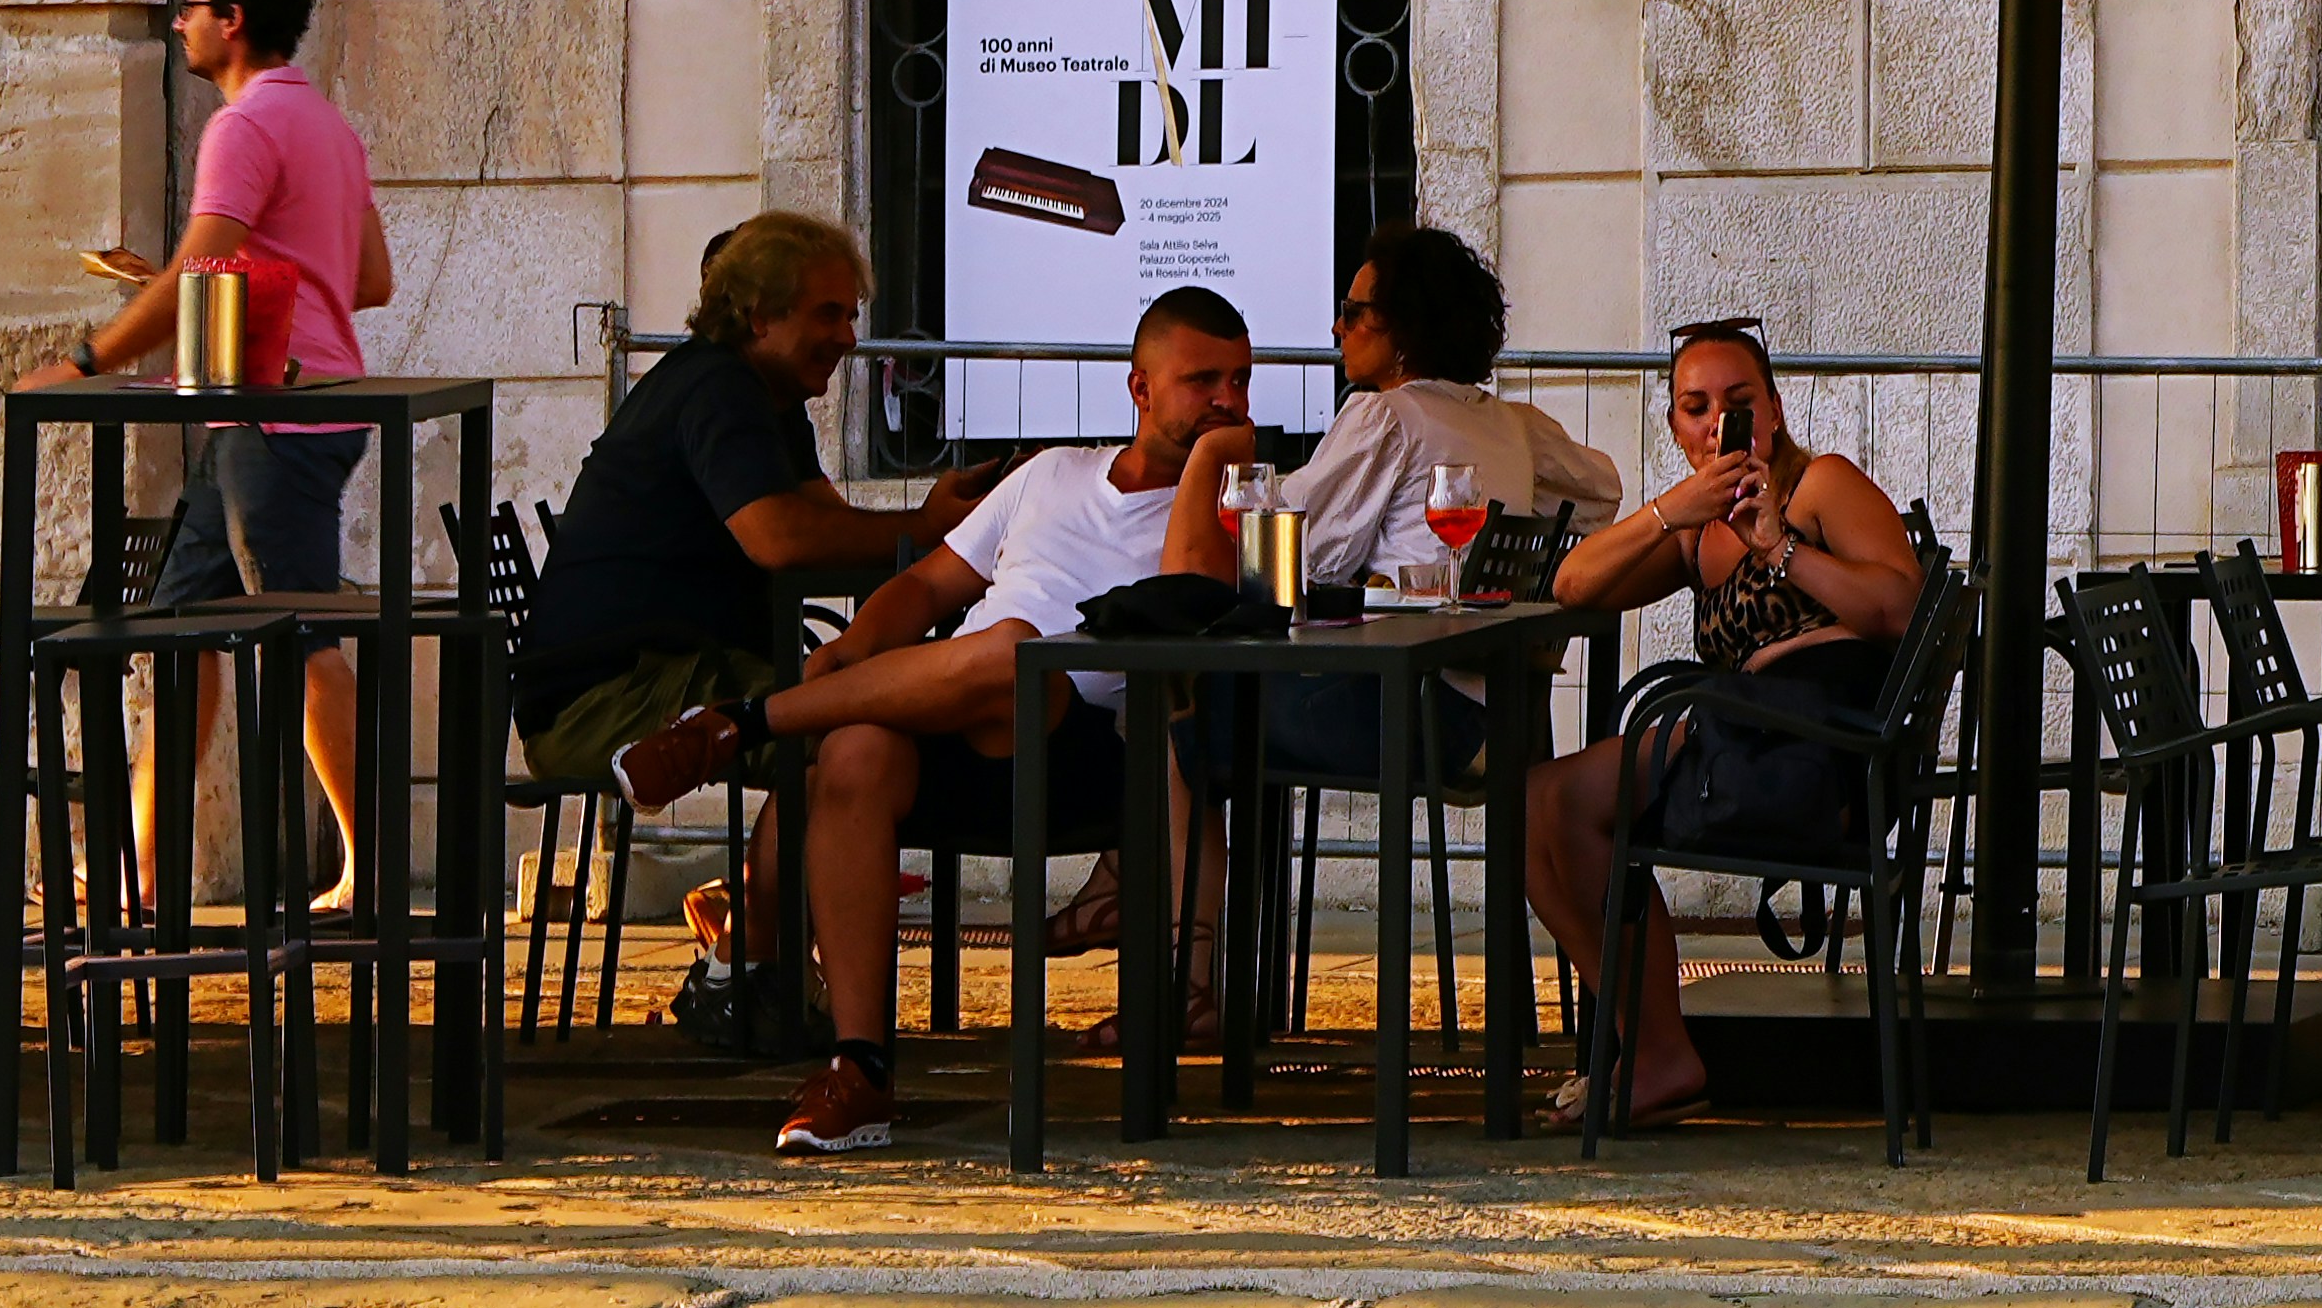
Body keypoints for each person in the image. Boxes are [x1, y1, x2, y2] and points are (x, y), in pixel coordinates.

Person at [588, 285, 1258, 1158]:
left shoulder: (1238, 504)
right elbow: (928, 587)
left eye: (1241, 381)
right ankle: (859, 1067)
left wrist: (1208, 467)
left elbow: (1191, 597)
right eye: (1202, 379)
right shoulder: (1050, 473)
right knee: (858, 748)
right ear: (1138, 389)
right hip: (954, 722)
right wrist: (854, 649)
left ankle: (741, 724)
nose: (1227, 399)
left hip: (1078, 747)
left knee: (1016, 646)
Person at [17, 0, 395, 898]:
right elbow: (368, 280)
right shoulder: (331, 128)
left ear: (231, 20)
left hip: (276, 416)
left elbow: (201, 263)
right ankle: (143, 875)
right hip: (280, 409)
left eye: (190, 5)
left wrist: (86, 359)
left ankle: (372, 869)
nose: (178, 21)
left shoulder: (243, 127)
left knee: (299, 632)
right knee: (173, 632)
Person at [1525, 320, 1926, 1133]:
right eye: (1694, 407)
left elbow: (1901, 609)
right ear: (1673, 426)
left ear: (1773, 412)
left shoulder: (1821, 488)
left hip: (1816, 761)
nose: (1718, 424)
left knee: (1556, 803)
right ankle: (1650, 1046)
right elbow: (1573, 585)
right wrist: (1670, 511)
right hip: (1738, 746)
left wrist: (1780, 549)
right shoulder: (1696, 534)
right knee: (1531, 807)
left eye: (1738, 403)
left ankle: (1655, 1053)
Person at [1176, 222, 1626, 789]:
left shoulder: (1384, 415)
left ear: (1404, 328)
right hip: (1509, 714)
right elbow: (1601, 493)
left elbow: (1298, 559)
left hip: (1415, 711)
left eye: (1353, 311)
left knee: (1195, 701)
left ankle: (1172, 877)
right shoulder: (1510, 424)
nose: (1337, 326)